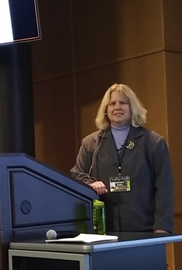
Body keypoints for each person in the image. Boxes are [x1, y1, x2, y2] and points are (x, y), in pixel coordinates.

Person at [71, 83, 174, 233]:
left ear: (132, 108)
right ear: (106, 110)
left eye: (123, 103)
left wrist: (162, 226)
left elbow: (164, 186)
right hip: (103, 229)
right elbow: (76, 175)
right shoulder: (90, 143)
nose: (117, 107)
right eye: (112, 103)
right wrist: (91, 184)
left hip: (143, 228)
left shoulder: (153, 142)